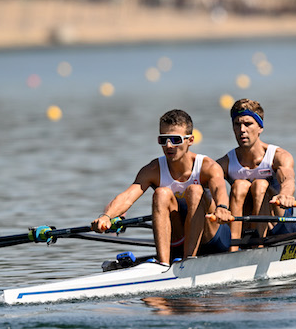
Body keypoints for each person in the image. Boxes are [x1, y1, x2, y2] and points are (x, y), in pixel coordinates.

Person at [91, 109, 234, 265]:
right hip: (178, 240)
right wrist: (106, 216)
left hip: (213, 239)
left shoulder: (208, 167)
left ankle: (189, 261)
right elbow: (127, 197)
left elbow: (219, 189)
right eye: (163, 139)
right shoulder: (153, 170)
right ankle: (163, 264)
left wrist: (222, 207)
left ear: (190, 140)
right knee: (161, 193)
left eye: (175, 139)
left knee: (194, 190)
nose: (168, 145)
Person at [216, 99, 296, 248]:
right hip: (245, 227)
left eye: (248, 124)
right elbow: (207, 185)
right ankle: (233, 249)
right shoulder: (224, 163)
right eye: (237, 124)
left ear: (260, 127)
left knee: (260, 185)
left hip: (278, 225)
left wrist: (285, 194)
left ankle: (258, 247)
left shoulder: (278, 156)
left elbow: (288, 179)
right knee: (239, 185)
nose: (242, 130)